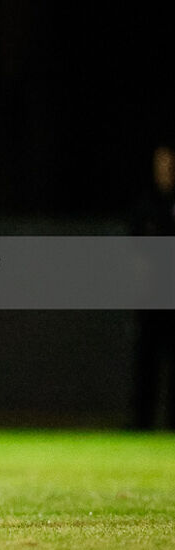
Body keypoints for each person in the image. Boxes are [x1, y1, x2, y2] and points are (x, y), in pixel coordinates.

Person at [131, 144, 175, 430]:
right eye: (161, 165)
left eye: (169, 165)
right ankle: (141, 422)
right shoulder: (147, 203)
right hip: (151, 295)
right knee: (146, 358)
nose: (165, 171)